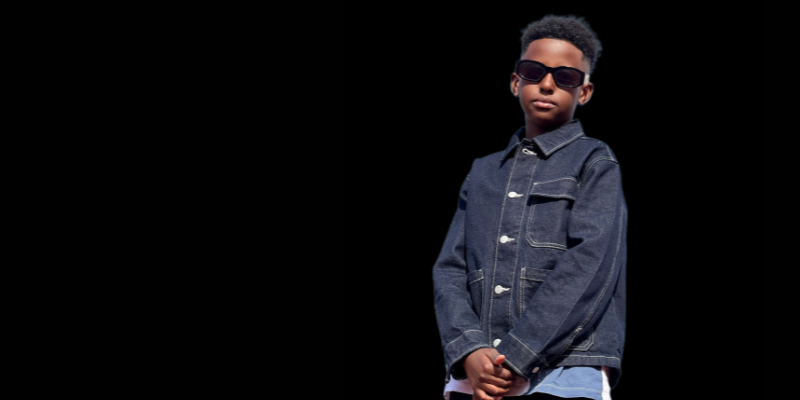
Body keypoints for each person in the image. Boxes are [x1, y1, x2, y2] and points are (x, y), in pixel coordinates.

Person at [432, 15, 627, 400]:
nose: (548, 84)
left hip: (566, 368)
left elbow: (590, 266)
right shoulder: (482, 172)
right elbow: (450, 268)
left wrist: (520, 355)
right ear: (515, 82)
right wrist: (468, 348)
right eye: (534, 71)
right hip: (479, 374)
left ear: (585, 92)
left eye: (566, 77)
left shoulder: (595, 161)